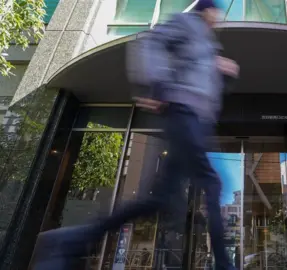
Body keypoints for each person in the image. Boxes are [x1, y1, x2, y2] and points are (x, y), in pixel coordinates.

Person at [33, 0, 239, 269]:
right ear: (208, 9)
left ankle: (72, 239)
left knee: (158, 200)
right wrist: (158, 87)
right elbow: (150, 42)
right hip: (183, 115)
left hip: (194, 121)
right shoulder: (187, 23)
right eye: (217, 10)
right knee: (212, 184)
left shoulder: (206, 43)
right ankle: (223, 263)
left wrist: (219, 69)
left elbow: (194, 74)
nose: (219, 17)